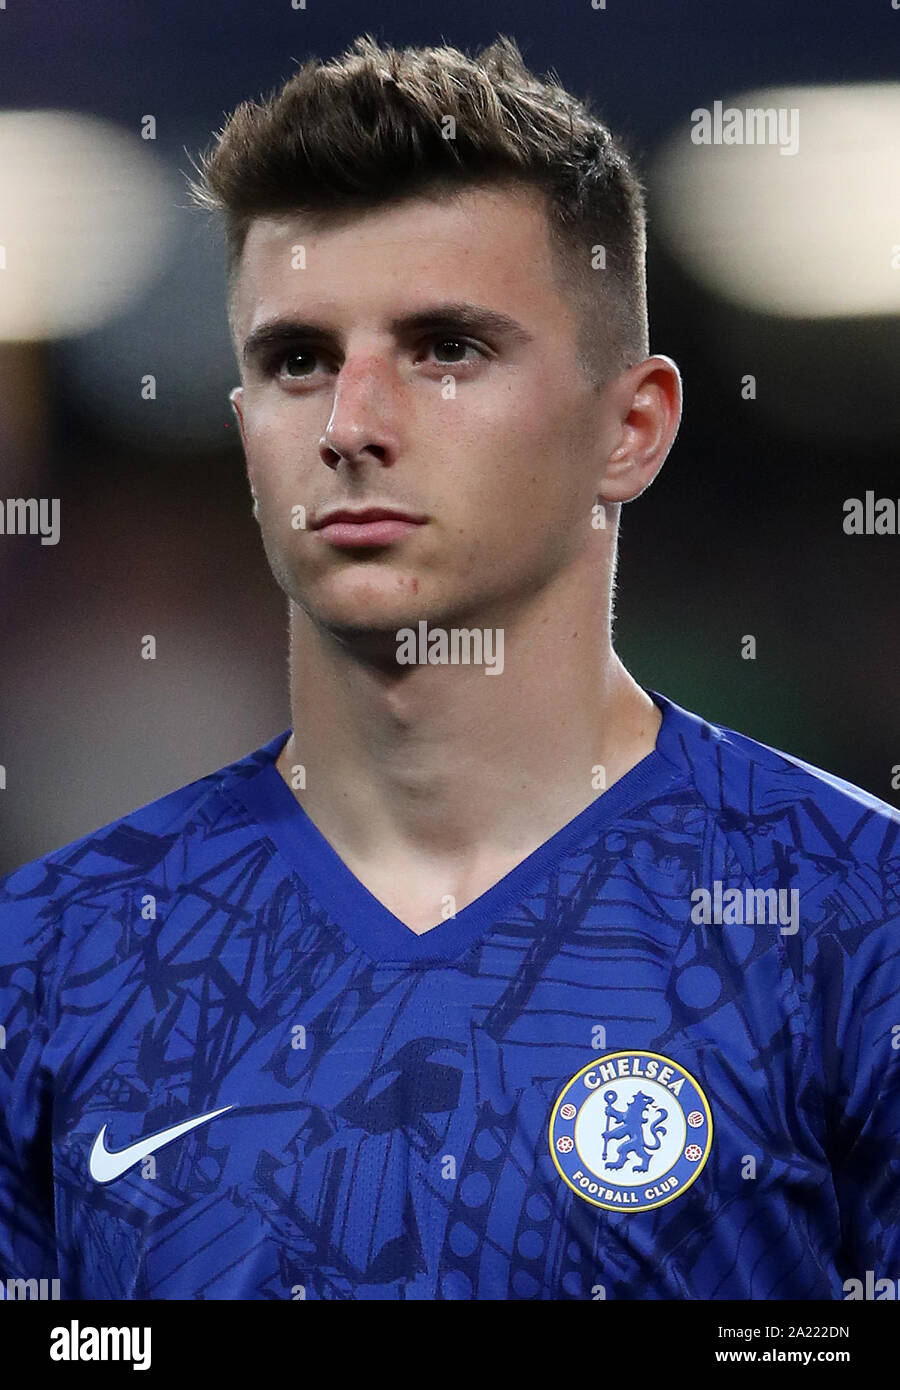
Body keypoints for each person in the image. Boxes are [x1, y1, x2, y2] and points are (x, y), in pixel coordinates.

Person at [1, 33, 897, 1302]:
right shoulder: (48, 959)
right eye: (297, 360)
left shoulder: (860, 923)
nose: (353, 426)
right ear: (244, 426)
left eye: (447, 349)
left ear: (630, 428)